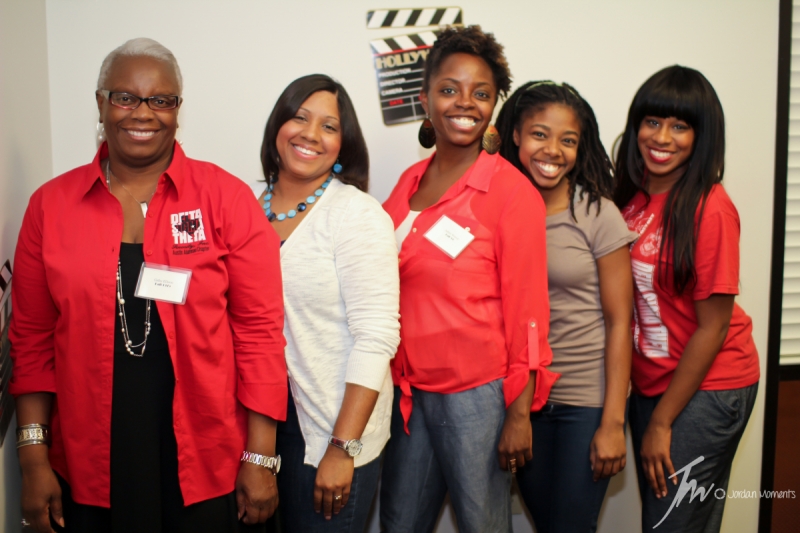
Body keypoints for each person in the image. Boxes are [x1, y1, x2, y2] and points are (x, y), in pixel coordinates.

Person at [10, 38, 287, 533]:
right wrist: (33, 459)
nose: (143, 113)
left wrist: (261, 456)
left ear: (178, 109)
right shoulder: (50, 206)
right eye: (125, 97)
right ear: (101, 103)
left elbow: (259, 334)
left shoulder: (225, 199)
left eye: (161, 100)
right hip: (88, 457)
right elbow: (31, 340)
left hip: (207, 454)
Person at [379, 26, 555, 533]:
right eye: (449, 89)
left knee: (483, 525)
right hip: (407, 391)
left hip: (478, 397)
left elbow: (528, 312)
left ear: (493, 105)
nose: (465, 103)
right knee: (399, 523)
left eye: (481, 93)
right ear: (425, 98)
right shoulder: (407, 184)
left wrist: (518, 414)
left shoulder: (510, 193)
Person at [613, 65, 760, 533]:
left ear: (702, 136)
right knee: (679, 521)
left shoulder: (709, 207)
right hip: (654, 383)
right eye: (653, 121)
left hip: (707, 386)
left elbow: (713, 327)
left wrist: (661, 422)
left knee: (670, 524)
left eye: (680, 126)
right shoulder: (631, 196)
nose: (662, 137)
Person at [251, 74, 400, 532]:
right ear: (277, 126)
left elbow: (376, 336)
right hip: (259, 425)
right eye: (299, 118)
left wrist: (342, 447)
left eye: (329, 126)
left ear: (343, 144)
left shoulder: (357, 215)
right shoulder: (248, 209)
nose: (311, 134)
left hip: (329, 430)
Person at [495, 81, 635, 532]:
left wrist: (612, 423)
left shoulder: (596, 213)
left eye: (568, 140)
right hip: (523, 404)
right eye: (540, 134)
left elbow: (620, 322)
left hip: (585, 402)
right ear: (515, 135)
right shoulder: (497, 211)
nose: (553, 150)